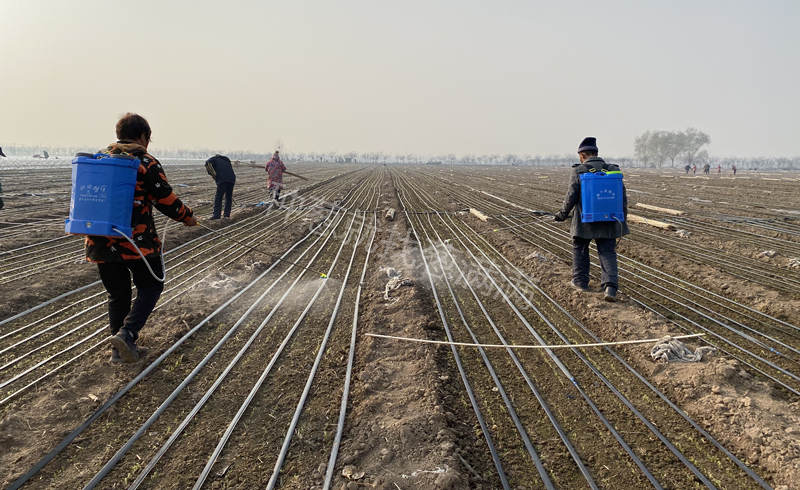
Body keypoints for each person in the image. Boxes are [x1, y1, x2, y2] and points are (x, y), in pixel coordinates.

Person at [86, 113, 197, 363]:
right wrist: (187, 216)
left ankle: (119, 352)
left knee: (118, 295)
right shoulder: (144, 162)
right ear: (143, 136)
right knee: (151, 286)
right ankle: (127, 334)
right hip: (136, 241)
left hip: (100, 240)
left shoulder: (99, 159)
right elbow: (165, 199)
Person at [554, 137, 629, 302]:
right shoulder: (612, 170)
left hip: (584, 222)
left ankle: (580, 282)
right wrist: (622, 220)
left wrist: (562, 214)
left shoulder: (579, 171)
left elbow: (571, 197)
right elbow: (622, 197)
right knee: (607, 252)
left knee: (580, 250)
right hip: (610, 220)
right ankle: (610, 287)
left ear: (582, 155)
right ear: (596, 153)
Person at [205, 154, 236, 219]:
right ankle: (226, 215)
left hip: (223, 179)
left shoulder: (212, 159)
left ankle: (216, 215)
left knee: (218, 197)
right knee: (228, 197)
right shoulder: (226, 160)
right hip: (232, 179)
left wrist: (214, 176)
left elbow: (207, 163)